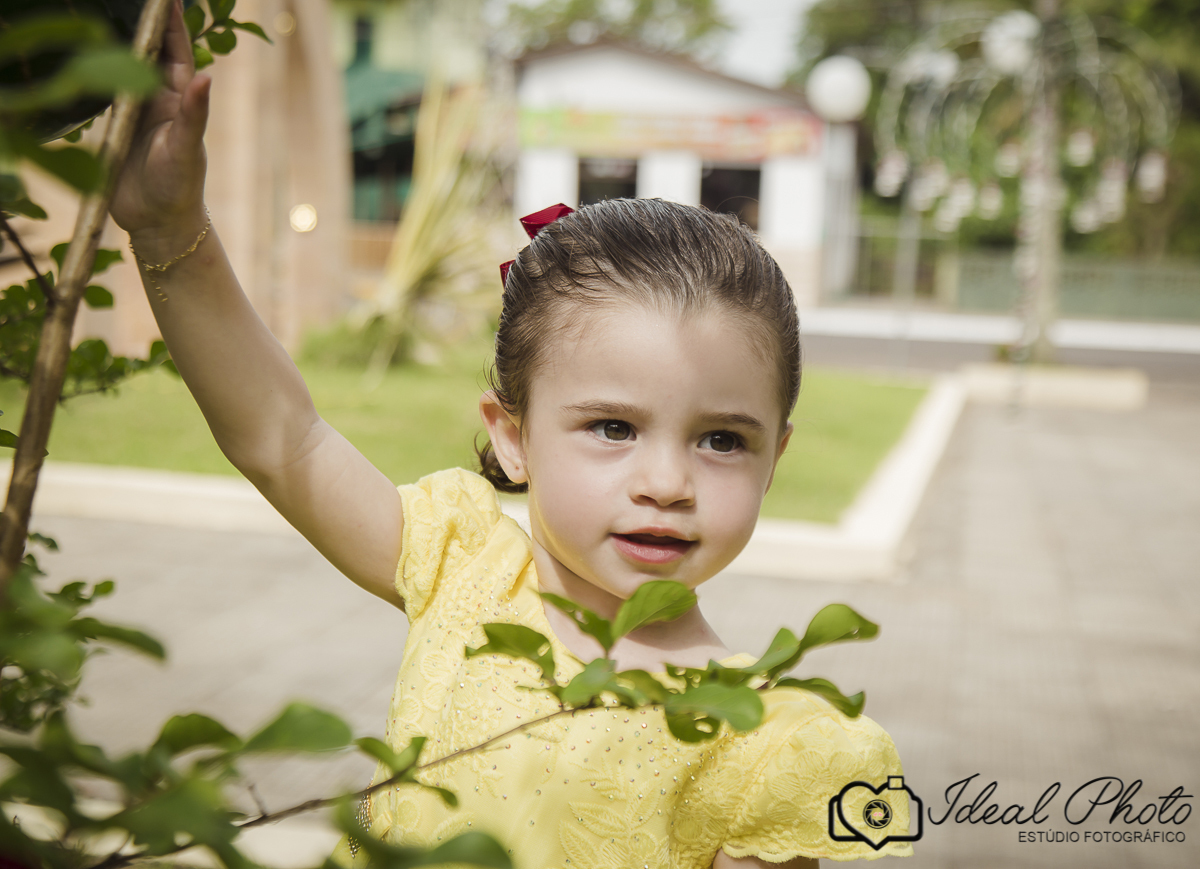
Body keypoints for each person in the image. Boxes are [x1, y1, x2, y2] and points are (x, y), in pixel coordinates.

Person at [111, 3, 914, 866]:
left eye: (722, 440)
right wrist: (166, 226)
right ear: (513, 437)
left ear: (774, 458)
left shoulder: (767, 740)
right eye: (614, 426)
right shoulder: (464, 569)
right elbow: (284, 440)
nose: (668, 482)